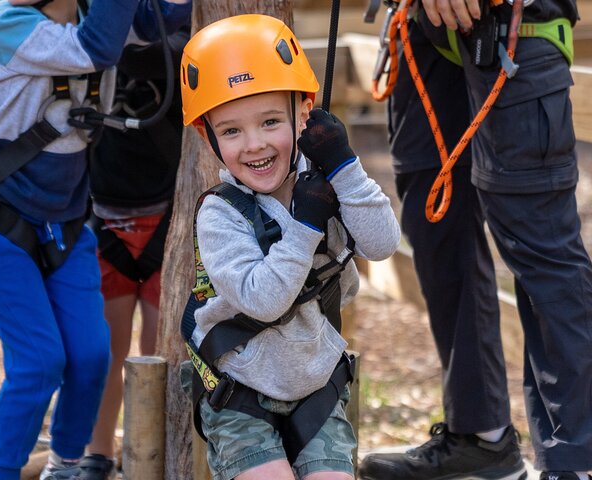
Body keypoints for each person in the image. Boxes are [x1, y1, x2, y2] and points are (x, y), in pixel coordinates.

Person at [0, 0, 191, 478]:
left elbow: (159, 20)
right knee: (39, 362)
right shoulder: (6, 24)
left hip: (68, 226)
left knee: (90, 354)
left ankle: (66, 464)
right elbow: (97, 48)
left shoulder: (89, 16)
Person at [358, 1, 592, 479]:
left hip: (516, 23)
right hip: (420, 25)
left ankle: (577, 462)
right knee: (437, 229)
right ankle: (482, 439)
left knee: (542, 248)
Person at [178, 14, 400, 480]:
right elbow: (262, 300)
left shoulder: (327, 180)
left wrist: (343, 166)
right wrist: (304, 225)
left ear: (305, 112)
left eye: (271, 121)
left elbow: (381, 244)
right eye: (232, 130)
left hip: (316, 381)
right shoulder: (220, 213)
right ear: (208, 136)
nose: (254, 144)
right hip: (239, 390)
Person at [77, 23, 190, 480]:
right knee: (106, 351)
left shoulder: (186, 39)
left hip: (169, 221)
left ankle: (149, 456)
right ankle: (98, 453)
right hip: (105, 218)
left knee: (161, 354)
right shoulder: (86, 39)